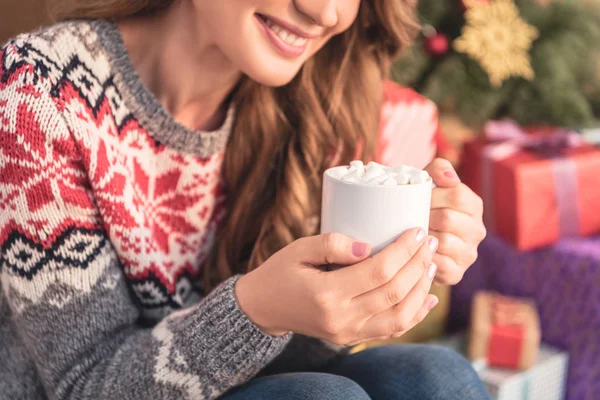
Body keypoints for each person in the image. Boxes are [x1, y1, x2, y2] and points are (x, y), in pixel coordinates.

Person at [0, 0, 489, 399]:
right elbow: (83, 387)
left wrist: (360, 287)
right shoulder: (38, 90)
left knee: (437, 377)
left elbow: (292, 363)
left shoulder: (309, 96)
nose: (324, 12)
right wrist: (256, 311)